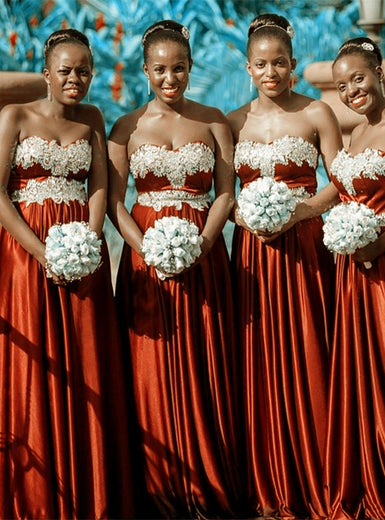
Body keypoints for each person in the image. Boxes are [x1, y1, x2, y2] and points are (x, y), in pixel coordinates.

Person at [107, 19, 245, 519]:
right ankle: (157, 483)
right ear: (145, 70)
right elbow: (115, 205)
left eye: (180, 68)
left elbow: (227, 191)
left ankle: (209, 475)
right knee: (152, 366)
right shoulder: (125, 127)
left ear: (191, 68)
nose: (172, 78)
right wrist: (144, 249)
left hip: (202, 252)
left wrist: (206, 242)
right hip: (146, 256)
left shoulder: (212, 121)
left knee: (206, 359)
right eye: (161, 69)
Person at [0, 29, 132, 519]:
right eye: (65, 70)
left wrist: (86, 241)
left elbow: (99, 185)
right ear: (46, 73)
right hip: (26, 250)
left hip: (81, 249)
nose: (74, 79)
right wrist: (41, 253)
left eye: (83, 71)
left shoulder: (94, 118)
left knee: (85, 355)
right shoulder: (13, 116)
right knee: (35, 356)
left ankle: (90, 486)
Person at [227, 13, 343, 519]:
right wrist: (243, 216)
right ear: (247, 66)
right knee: (258, 354)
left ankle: (320, 471)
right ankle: (266, 478)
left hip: (305, 247)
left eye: (279, 63)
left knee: (311, 346)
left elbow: (341, 182)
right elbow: (222, 196)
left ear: (293, 64)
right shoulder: (232, 122)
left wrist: (302, 211)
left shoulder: (318, 113)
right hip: (253, 252)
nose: (270, 72)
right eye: (261, 64)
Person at [324, 37, 385, 520]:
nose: (351, 90)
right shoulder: (356, 133)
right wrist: (292, 212)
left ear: (378, 72)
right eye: (341, 85)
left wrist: (383, 242)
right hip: (355, 271)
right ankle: (374, 470)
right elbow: (340, 191)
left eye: (358, 78)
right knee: (369, 368)